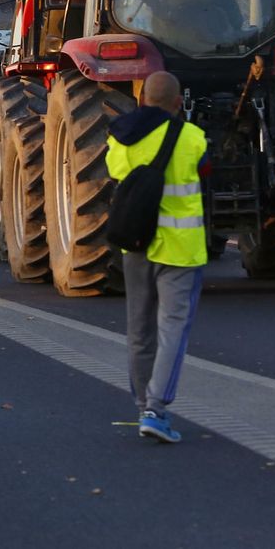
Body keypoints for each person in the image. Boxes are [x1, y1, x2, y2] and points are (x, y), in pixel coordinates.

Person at [107, 69, 208, 444]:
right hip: (180, 251)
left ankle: (140, 406)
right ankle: (156, 410)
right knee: (172, 331)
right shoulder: (192, 137)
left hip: (135, 244)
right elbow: (202, 166)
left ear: (142, 99)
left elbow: (114, 171)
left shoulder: (121, 137)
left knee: (140, 330)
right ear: (178, 103)